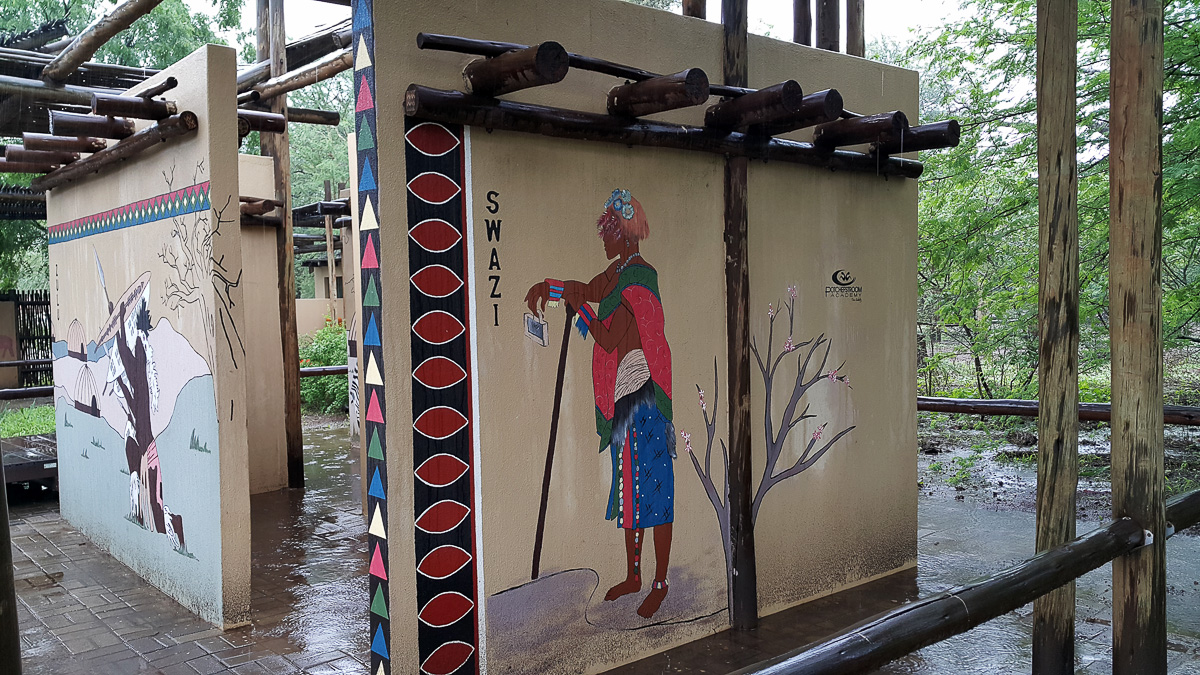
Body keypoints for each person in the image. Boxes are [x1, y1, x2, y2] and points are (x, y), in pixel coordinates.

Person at [526, 189, 676, 619]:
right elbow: (585, 289)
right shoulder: (616, 273)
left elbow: (608, 338)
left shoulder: (638, 279)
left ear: (624, 235)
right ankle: (633, 576)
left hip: (644, 397)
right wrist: (550, 287)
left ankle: (659, 583)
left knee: (656, 492)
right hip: (624, 399)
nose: (603, 239)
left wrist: (583, 312)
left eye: (608, 232)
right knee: (630, 490)